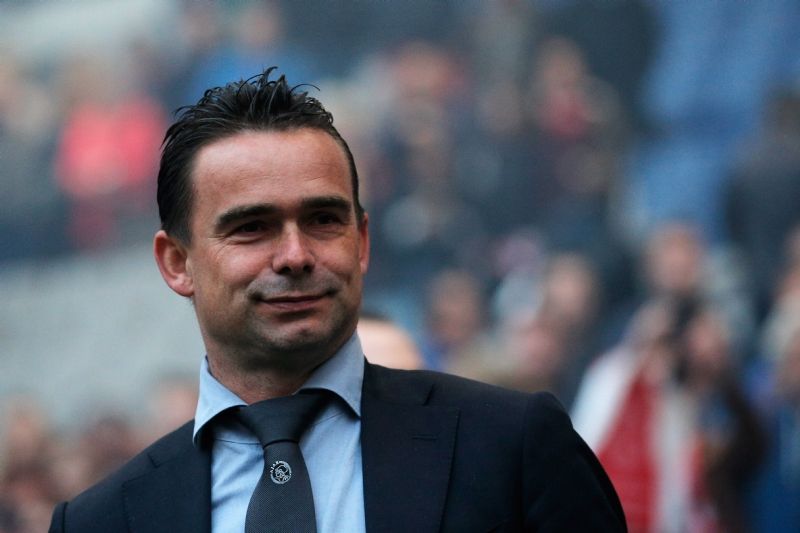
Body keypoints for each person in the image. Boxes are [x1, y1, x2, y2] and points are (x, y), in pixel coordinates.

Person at [49, 68, 625, 532]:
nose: (295, 255)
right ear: (177, 263)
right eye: (252, 228)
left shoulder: (513, 446)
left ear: (363, 242)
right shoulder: (101, 521)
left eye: (324, 220)